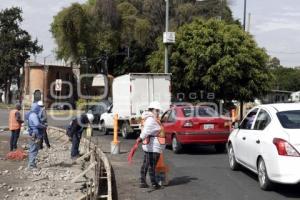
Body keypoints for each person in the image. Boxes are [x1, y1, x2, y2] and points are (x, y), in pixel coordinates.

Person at [136, 101, 166, 190]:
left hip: (150, 145)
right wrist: (140, 138)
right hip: (153, 146)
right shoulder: (151, 119)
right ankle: (154, 184)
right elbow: (147, 130)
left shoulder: (148, 118)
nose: (158, 112)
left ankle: (143, 181)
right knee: (152, 166)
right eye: (157, 110)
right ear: (153, 110)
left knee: (146, 163)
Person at [27, 103, 45, 169]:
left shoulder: (30, 114)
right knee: (34, 150)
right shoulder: (34, 115)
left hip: (32, 134)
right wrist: (43, 126)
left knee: (32, 149)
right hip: (35, 135)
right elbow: (37, 124)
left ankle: (31, 164)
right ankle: (31, 165)